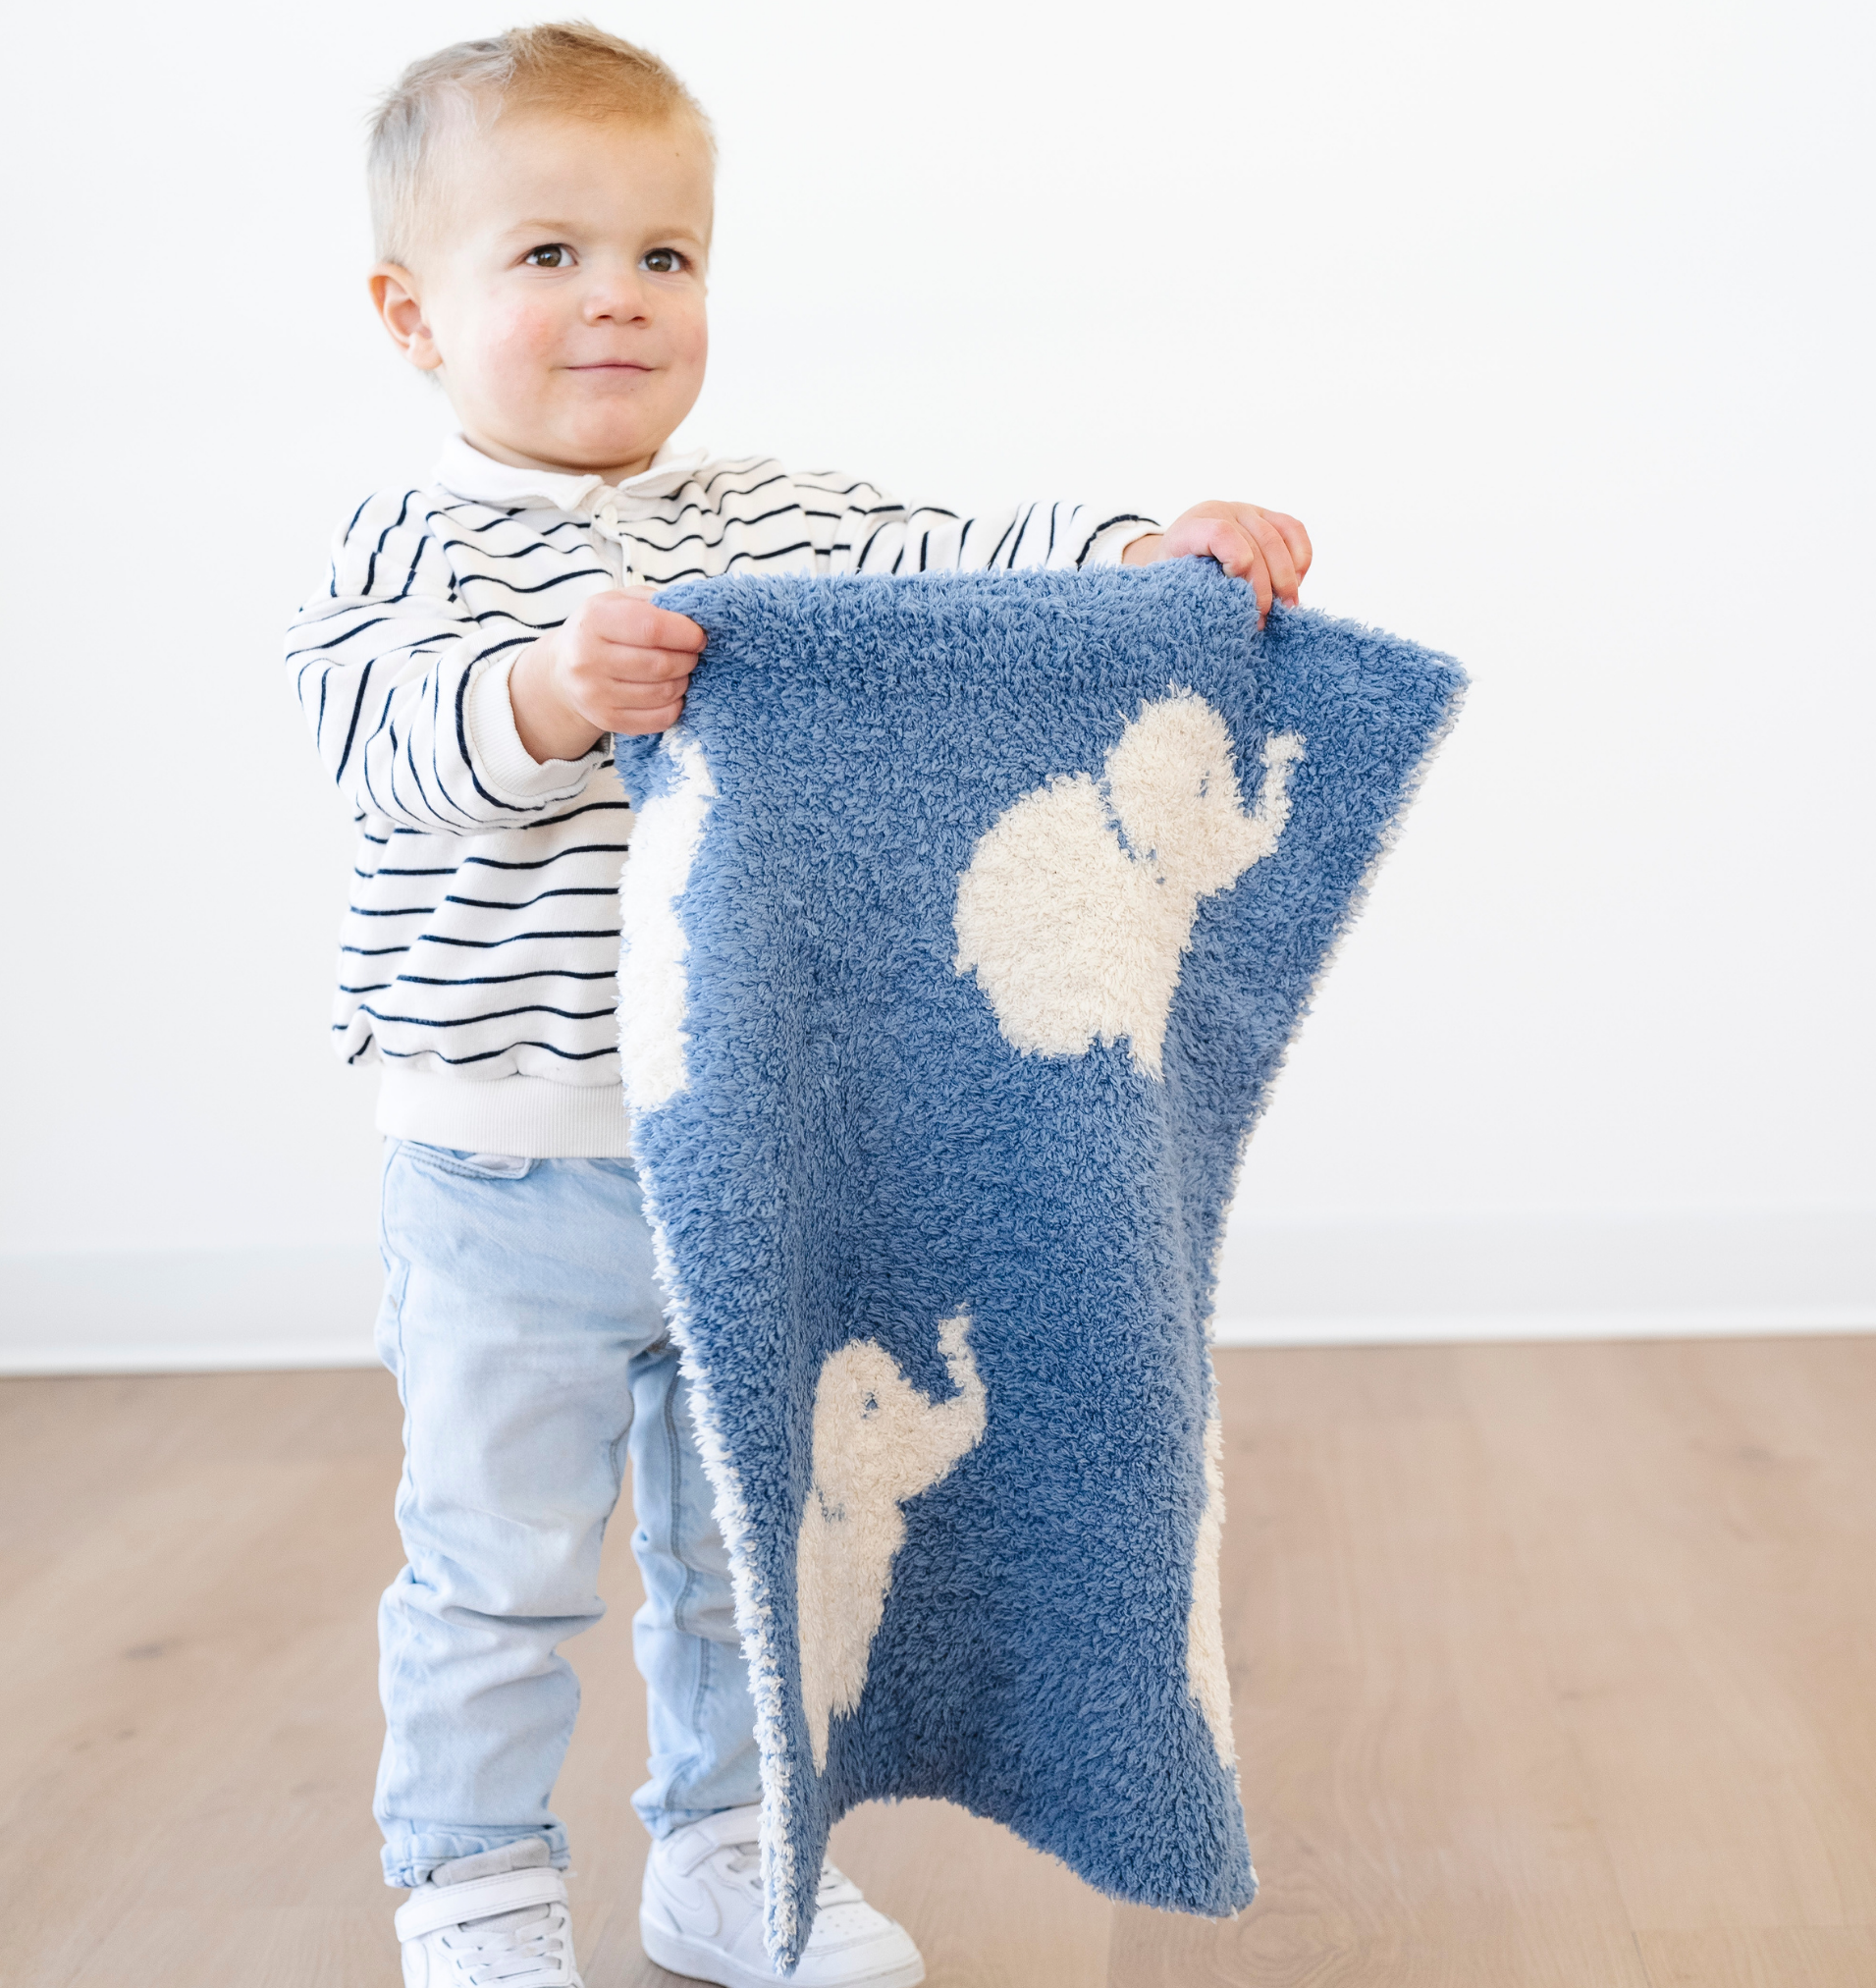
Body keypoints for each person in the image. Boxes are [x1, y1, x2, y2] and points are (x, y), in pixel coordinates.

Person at [285, 25, 1312, 1988]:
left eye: (662, 257)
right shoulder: (398, 546)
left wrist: (1142, 555)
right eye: (550, 254)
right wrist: (549, 691)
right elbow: (388, 740)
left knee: (756, 1555)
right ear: (412, 313)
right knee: (495, 1563)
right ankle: (473, 1883)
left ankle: (733, 1854)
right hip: (506, 1171)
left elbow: (966, 573)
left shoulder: (773, 520)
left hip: (758, 1151)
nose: (618, 296)